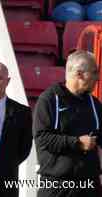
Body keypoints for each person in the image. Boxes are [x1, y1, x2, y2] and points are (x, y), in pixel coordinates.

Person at [34, 50, 102, 197]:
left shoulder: (94, 104)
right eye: (94, 72)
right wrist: (76, 142)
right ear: (79, 74)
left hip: (89, 187)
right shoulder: (49, 99)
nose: (98, 77)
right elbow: (42, 138)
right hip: (57, 187)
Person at [0, 62, 32, 197]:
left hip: (5, 180)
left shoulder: (22, 112)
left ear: (7, 81)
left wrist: (7, 164)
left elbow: (25, 148)